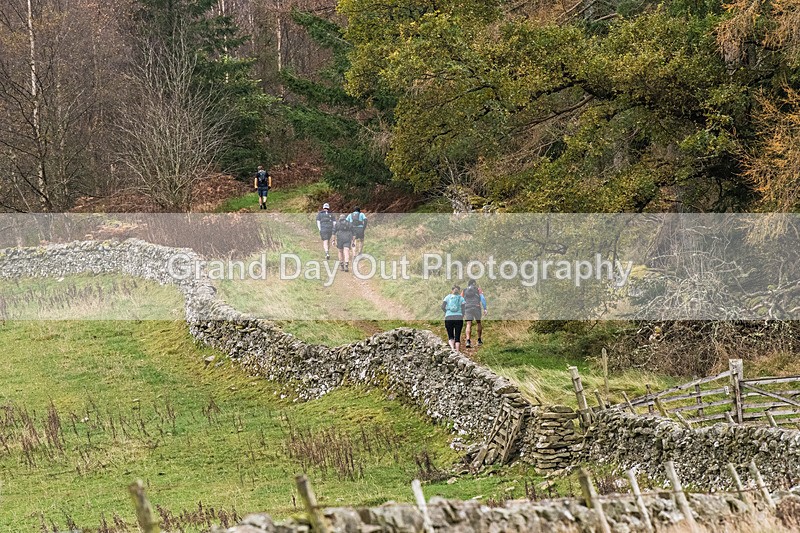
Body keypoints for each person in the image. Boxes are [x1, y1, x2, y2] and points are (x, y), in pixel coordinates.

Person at [462, 279, 488, 348]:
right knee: (478, 322)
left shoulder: (464, 290)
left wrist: (462, 311)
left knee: (468, 324)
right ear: (474, 284)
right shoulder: (478, 289)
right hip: (477, 307)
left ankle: (468, 341)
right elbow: (482, 298)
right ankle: (479, 340)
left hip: (468, 307)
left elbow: (461, 301)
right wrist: (485, 308)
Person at [441, 285, 466, 352]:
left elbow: (442, 306)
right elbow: (463, 308)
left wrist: (447, 312)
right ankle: (457, 351)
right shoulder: (461, 298)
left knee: (450, 335)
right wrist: (462, 315)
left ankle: (452, 349)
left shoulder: (447, 297)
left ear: (452, 290)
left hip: (449, 317)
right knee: (457, 336)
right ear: (459, 291)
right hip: (458, 317)